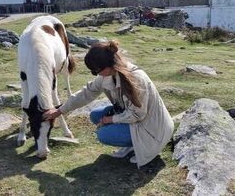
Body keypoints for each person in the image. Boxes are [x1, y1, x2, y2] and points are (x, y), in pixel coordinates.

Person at [43, 40, 174, 168]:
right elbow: (86, 93)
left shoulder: (136, 79)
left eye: (95, 70)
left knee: (103, 134)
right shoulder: (108, 74)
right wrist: (60, 110)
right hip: (139, 120)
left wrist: (109, 120)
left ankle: (142, 146)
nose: (95, 74)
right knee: (95, 115)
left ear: (107, 66)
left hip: (153, 130)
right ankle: (130, 144)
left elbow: (137, 114)